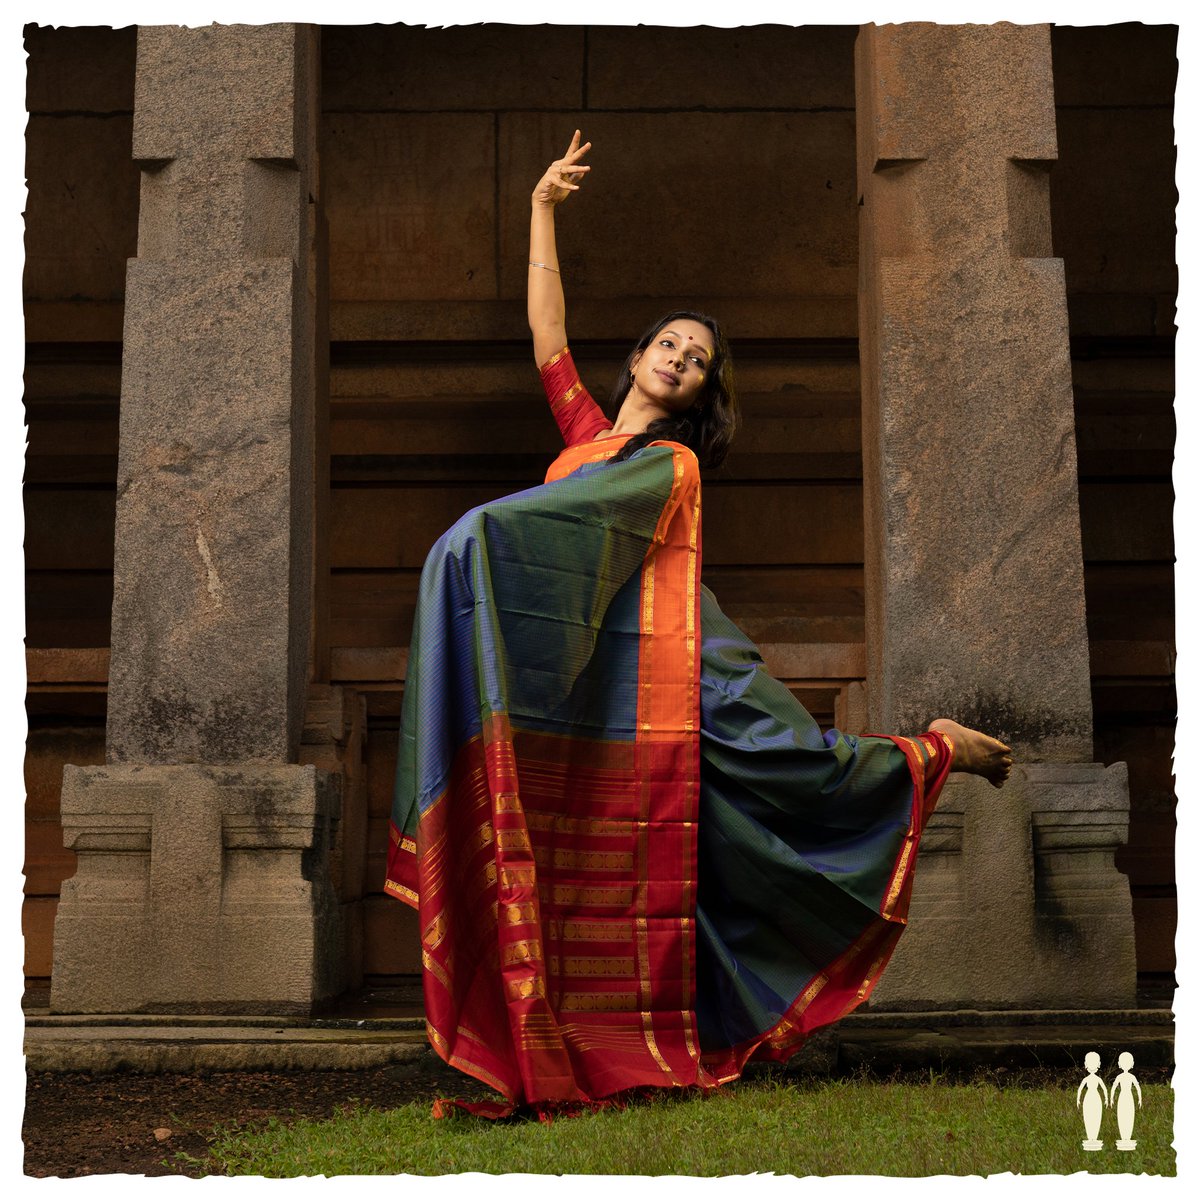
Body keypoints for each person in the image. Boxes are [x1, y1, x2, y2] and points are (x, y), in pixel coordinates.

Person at [386, 131, 1013, 1118]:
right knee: (710, 835)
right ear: (637, 356)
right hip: (613, 679)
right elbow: (548, 337)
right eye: (669, 343)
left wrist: (482, 535)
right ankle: (710, 1009)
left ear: (701, 392)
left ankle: (936, 752)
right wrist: (543, 206)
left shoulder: (664, 466)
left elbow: (552, 535)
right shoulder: (590, 438)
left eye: (698, 360)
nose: (679, 359)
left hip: (686, 655)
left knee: (793, 765)